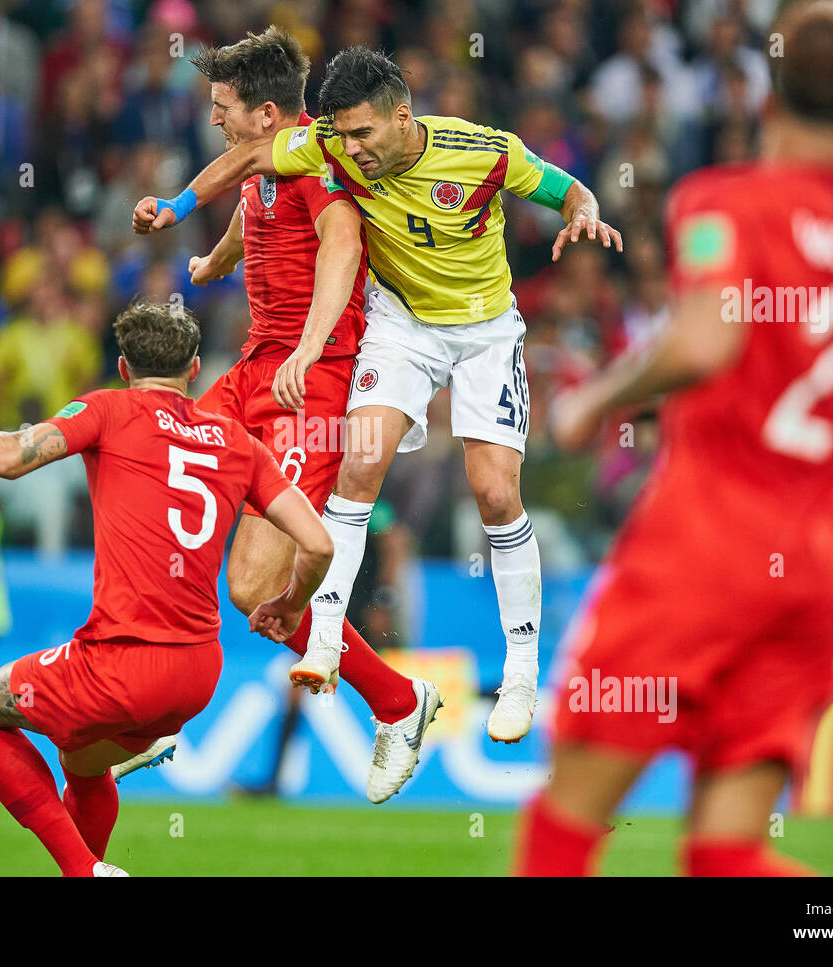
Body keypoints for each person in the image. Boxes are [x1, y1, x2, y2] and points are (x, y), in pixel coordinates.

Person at [517, 0, 833, 876]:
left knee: (562, 830)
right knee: (726, 854)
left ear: (768, 99)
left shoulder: (723, 200)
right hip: (814, 564)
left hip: (706, 535)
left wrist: (592, 403)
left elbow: (705, 337)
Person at [134, 44, 619, 748]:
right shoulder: (327, 142)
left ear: (402, 116)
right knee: (359, 467)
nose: (351, 152)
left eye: (364, 135)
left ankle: (521, 670)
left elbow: (565, 187)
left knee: (494, 494)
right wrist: (182, 208)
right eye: (342, 135)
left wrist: (585, 212)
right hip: (402, 328)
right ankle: (323, 637)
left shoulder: (483, 151)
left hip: (484, 332)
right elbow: (250, 160)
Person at [0, 302, 334, 876]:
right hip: (198, 672)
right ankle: (93, 852)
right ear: (196, 368)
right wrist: (290, 604)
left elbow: (7, 457)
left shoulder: (109, 410)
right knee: (80, 761)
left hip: (122, 663)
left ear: (124, 369)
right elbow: (319, 545)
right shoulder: (238, 443)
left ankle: (84, 871)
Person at [178, 26, 436, 804]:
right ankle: (154, 685)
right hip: (256, 368)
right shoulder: (264, 166)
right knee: (158, 454)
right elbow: (247, 217)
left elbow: (341, 246)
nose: (213, 119)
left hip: (308, 385)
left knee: (258, 588)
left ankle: (399, 699)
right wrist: (213, 261)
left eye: (222, 107)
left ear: (264, 114)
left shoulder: (319, 163)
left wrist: (310, 347)